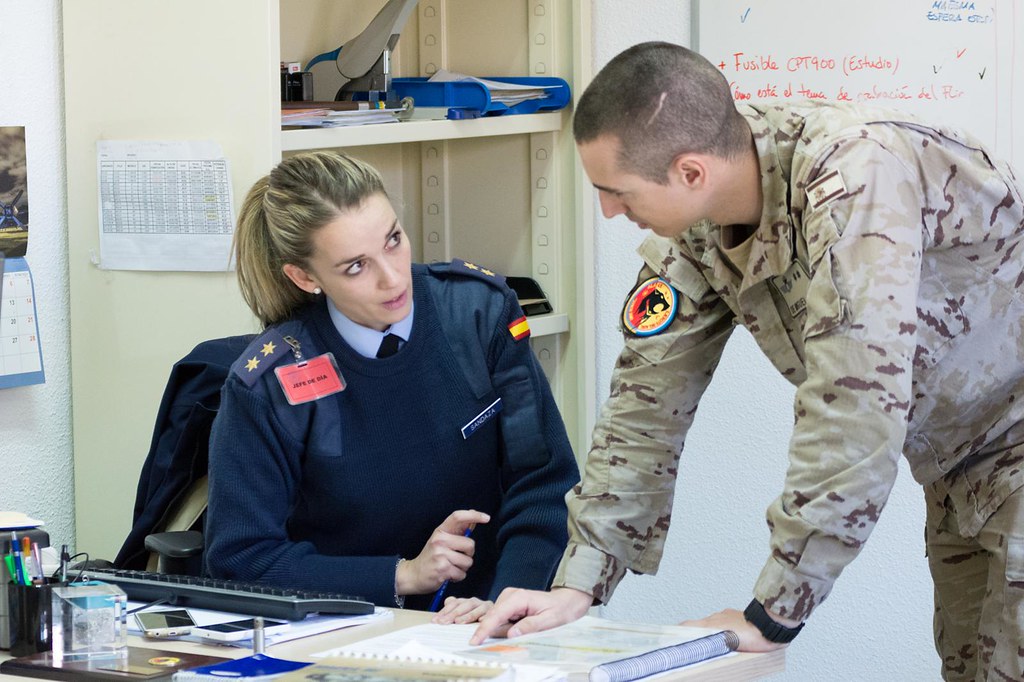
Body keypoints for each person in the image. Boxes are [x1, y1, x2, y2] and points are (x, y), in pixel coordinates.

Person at [472, 41, 1024, 681]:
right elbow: (644, 411)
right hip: (962, 472)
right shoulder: (703, 221)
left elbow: (856, 406)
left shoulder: (855, 178)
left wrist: (771, 616)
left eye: (615, 191)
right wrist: (578, 585)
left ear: (690, 172)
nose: (609, 211)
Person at [204, 150, 579, 621]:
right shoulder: (272, 382)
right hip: (348, 630)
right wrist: (401, 575)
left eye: (394, 240)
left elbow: (544, 482)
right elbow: (241, 559)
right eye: (356, 266)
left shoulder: (479, 315)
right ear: (304, 276)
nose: (393, 276)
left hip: (489, 613)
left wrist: (508, 604)